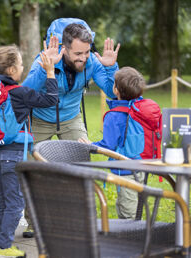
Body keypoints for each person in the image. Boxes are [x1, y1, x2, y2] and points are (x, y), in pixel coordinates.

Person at [21, 22, 120, 237]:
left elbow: (114, 92)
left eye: (86, 52)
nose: (83, 58)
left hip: (71, 118)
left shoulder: (92, 61)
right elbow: (25, 92)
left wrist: (111, 67)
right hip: (39, 118)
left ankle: (85, 221)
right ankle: (34, 223)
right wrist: (45, 68)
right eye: (78, 53)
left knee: (82, 165)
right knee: (32, 170)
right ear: (64, 49)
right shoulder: (45, 58)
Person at [0, 44, 58, 258]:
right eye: (21, 64)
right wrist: (50, 72)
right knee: (15, 204)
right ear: (11, 70)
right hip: (14, 156)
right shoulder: (19, 93)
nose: (22, 67)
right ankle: (4, 247)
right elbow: (51, 100)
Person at [79, 66, 146, 219]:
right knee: (135, 206)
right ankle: (138, 233)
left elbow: (107, 146)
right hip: (143, 165)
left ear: (115, 89)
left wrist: (89, 145)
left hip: (125, 169)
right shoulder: (140, 108)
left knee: (127, 210)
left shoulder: (113, 116)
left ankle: (132, 238)